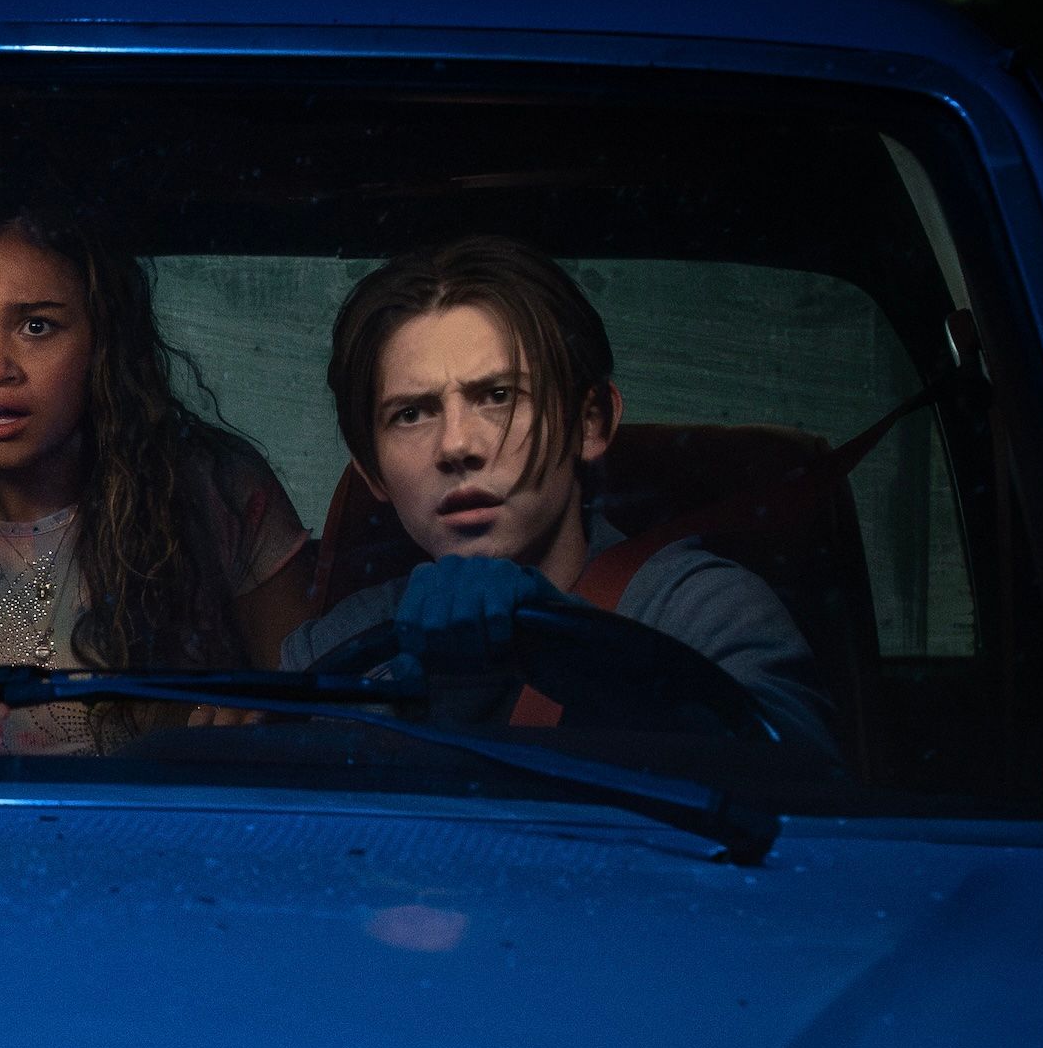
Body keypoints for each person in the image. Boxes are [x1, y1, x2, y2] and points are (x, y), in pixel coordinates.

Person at [0, 173, 316, 754]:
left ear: (102, 341)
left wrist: (244, 721)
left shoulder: (216, 489)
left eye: (37, 326)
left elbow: (309, 721)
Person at [278, 235, 836, 753]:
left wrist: (578, 653)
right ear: (372, 472)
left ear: (588, 422)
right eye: (411, 413)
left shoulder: (704, 610)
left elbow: (804, 797)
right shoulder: (327, 651)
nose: (456, 446)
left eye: (498, 395)